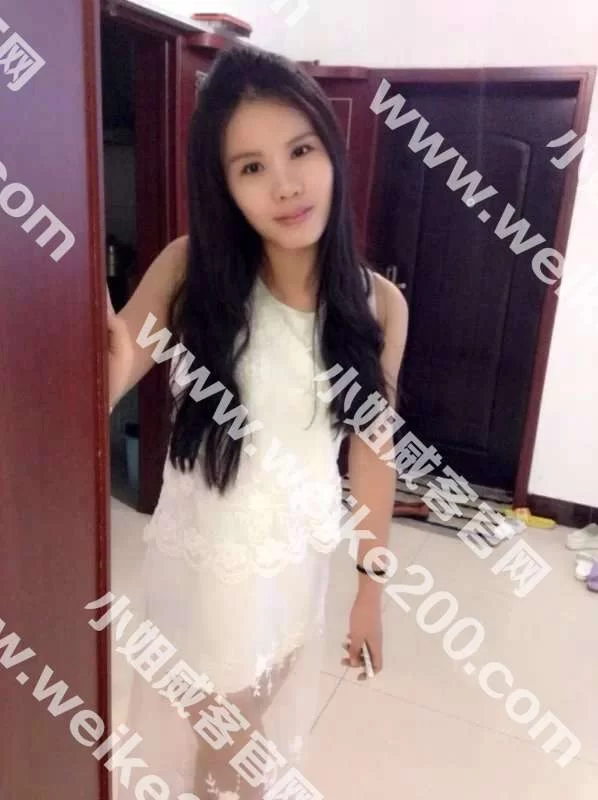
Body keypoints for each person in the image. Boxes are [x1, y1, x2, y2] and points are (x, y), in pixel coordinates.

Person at [107, 44, 408, 800]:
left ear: (331, 150)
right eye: (251, 167)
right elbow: (108, 368)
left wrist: (370, 590)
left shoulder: (378, 305)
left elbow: (372, 455)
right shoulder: (190, 272)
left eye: (300, 150)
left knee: (233, 741)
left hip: (294, 562)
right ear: (226, 187)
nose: (285, 185)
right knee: (231, 746)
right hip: (207, 565)